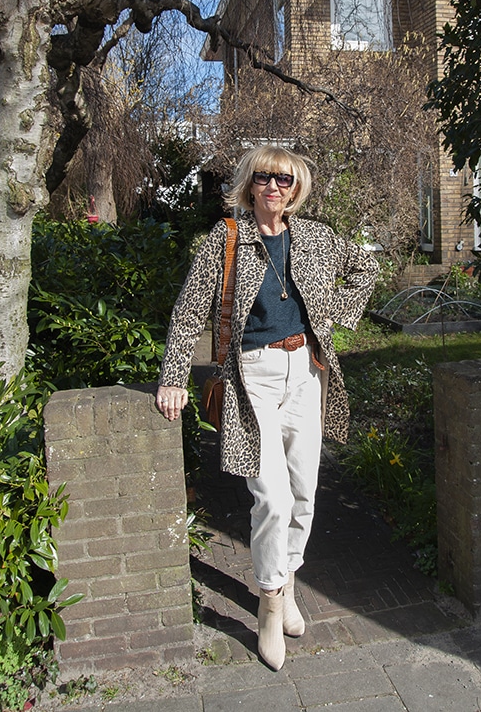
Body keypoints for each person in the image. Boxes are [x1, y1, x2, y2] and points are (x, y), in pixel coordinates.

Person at [156, 145, 378, 670]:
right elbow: (189, 314)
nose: (274, 187)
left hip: (305, 371)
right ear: (249, 185)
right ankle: (270, 605)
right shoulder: (226, 240)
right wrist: (172, 378)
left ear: (296, 187)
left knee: (304, 492)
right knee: (273, 498)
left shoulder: (318, 238)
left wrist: (333, 314)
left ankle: (287, 581)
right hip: (252, 375)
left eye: (284, 179)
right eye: (264, 178)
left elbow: (366, 267)